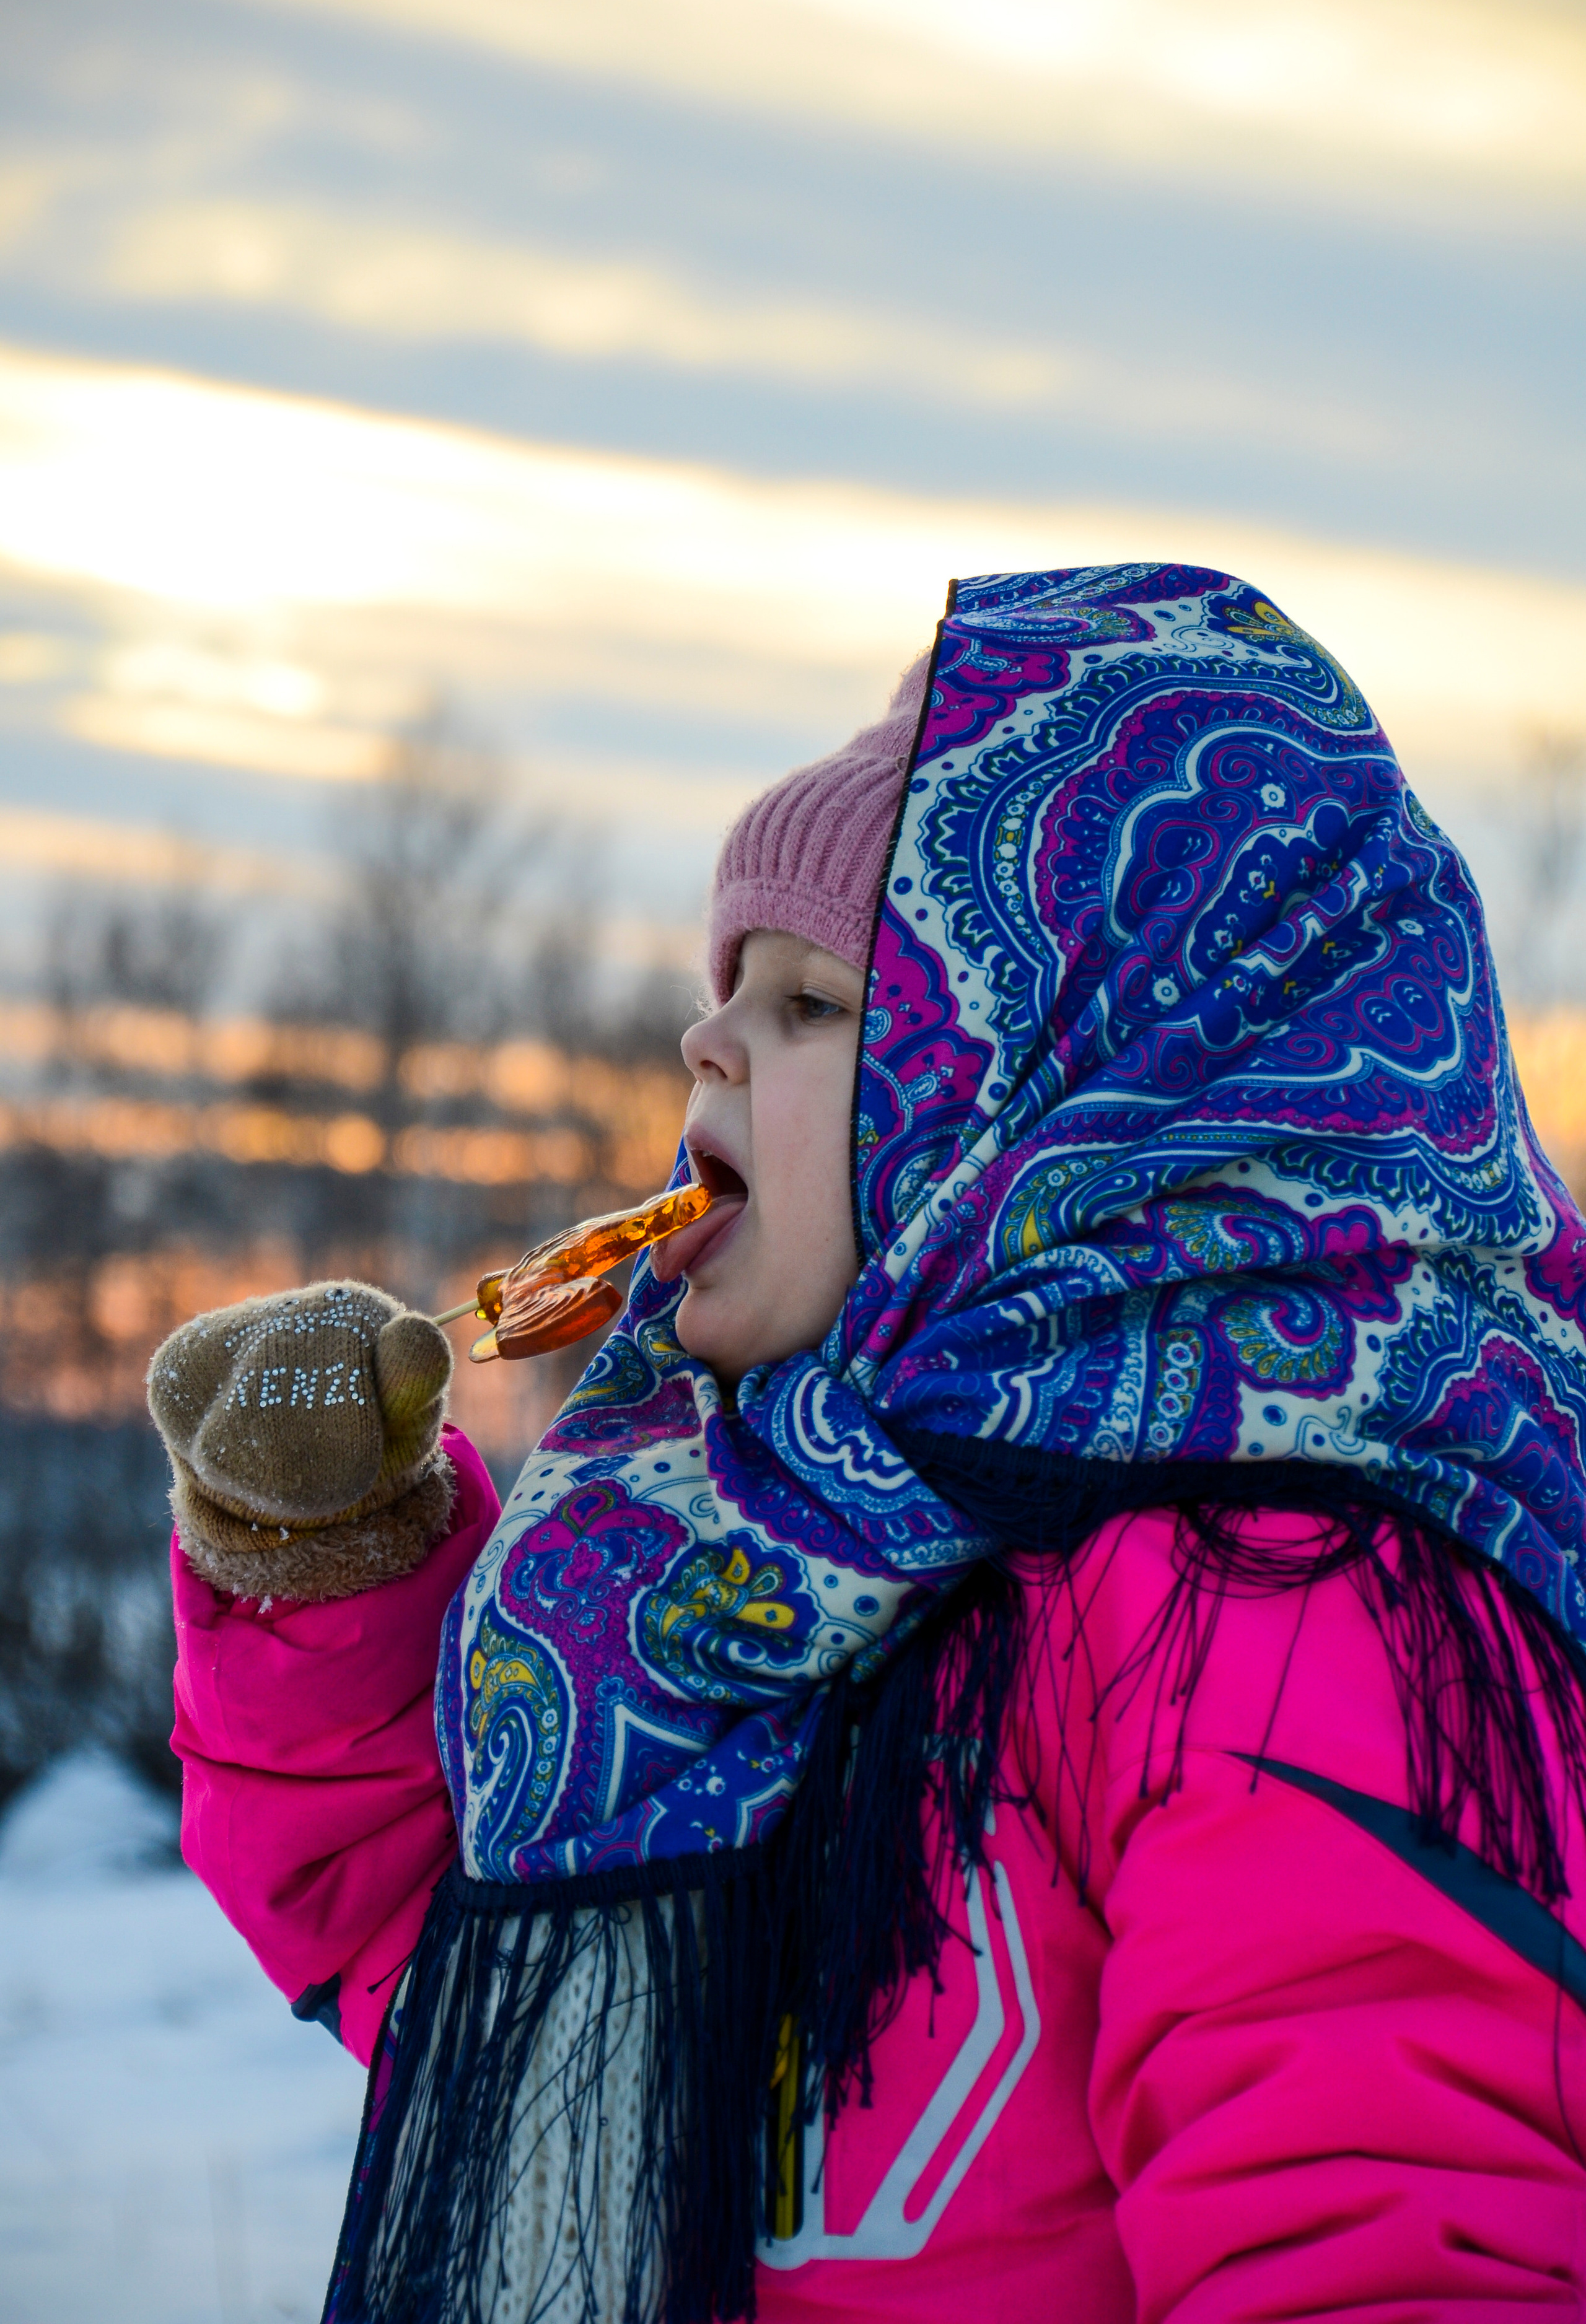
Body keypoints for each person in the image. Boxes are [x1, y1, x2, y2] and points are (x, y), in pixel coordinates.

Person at [149, 564, 1586, 2324]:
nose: (708, 1037)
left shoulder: (1271, 1597)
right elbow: (480, 1998)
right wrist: (327, 1568)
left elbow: (1375, 2219)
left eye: (814, 1006)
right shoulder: (753, 1553)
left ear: (1072, 1084)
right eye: (727, 987)